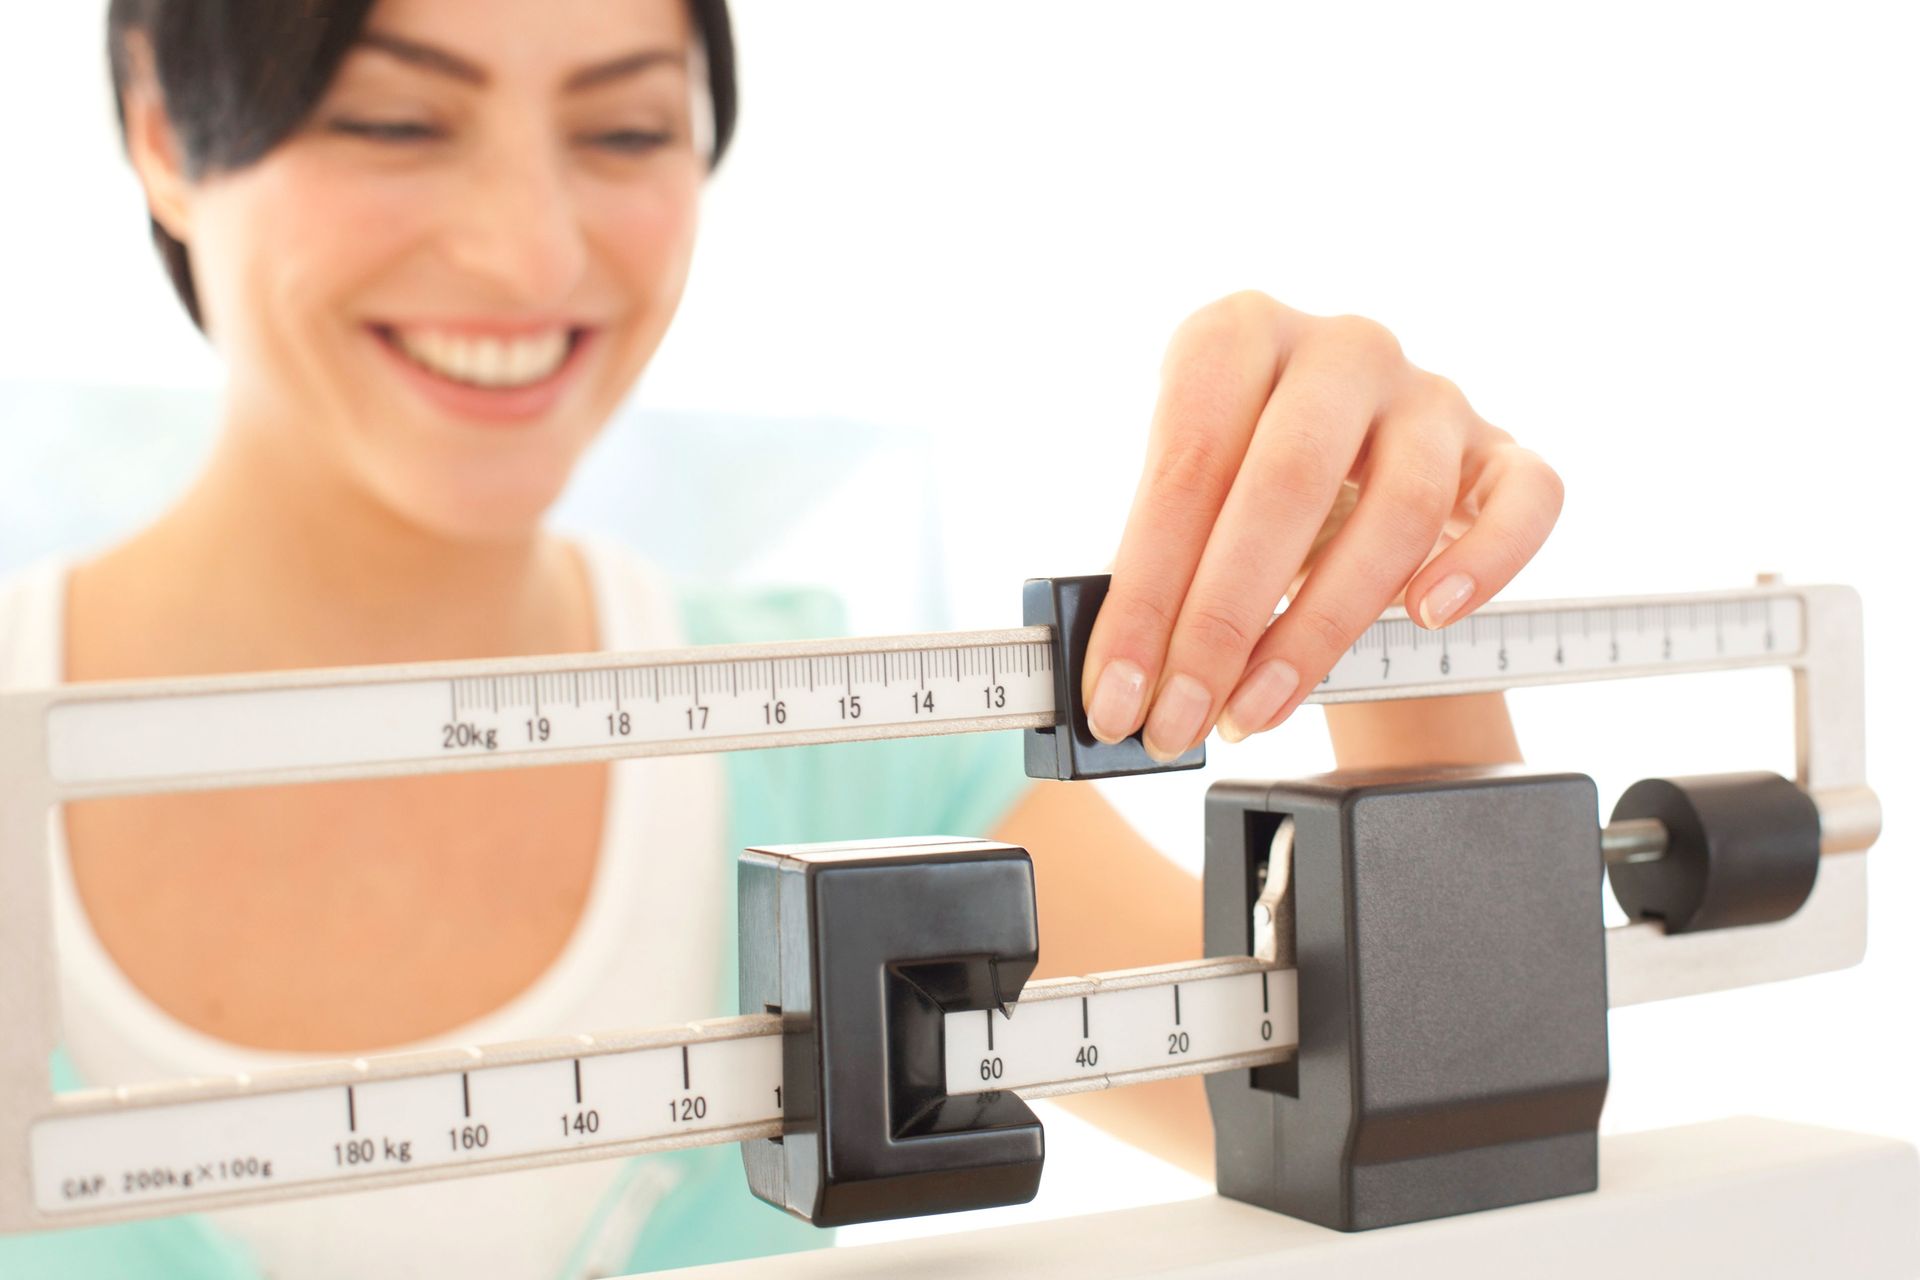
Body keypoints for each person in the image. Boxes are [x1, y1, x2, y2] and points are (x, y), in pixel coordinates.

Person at [0, 0, 1563, 1275]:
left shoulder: (847, 767)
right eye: (397, 120)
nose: (531, 255)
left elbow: (1425, 1139)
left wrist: (1398, 589)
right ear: (157, 121)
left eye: (622, 128)